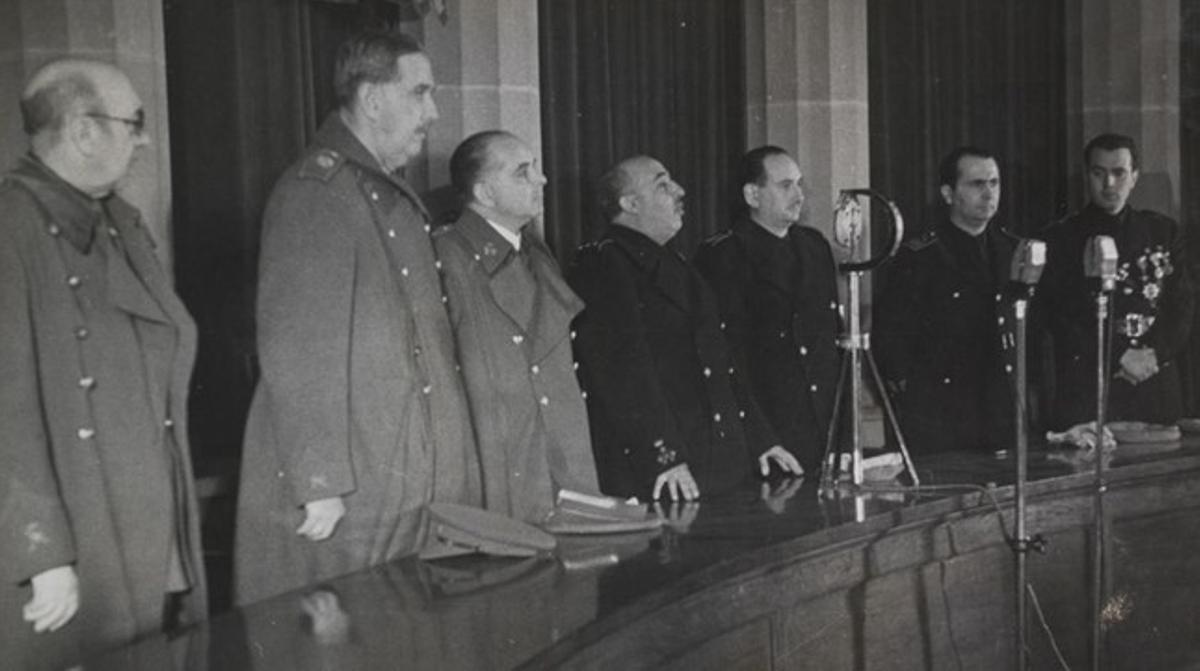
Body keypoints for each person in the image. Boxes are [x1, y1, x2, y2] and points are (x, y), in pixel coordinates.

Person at [234, 31, 481, 605]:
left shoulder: (381, 194)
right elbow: (295, 346)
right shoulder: (316, 192)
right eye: (420, 93)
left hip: (403, 474)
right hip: (358, 486)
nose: (433, 112)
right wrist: (318, 482)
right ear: (372, 100)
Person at [0, 59, 206, 667]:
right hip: (76, 518)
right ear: (84, 131)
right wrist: (42, 554)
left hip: (139, 504)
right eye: (134, 123)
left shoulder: (118, 222)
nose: (144, 140)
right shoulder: (12, 227)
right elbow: (5, 409)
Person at [567, 155, 802, 502]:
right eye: (662, 185)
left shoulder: (677, 264)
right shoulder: (604, 265)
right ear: (630, 204)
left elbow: (723, 365)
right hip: (666, 472)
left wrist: (761, 439)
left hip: (716, 460)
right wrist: (663, 457)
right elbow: (623, 374)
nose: (680, 191)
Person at [432, 131, 600, 523]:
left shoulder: (535, 254)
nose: (541, 180)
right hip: (508, 473)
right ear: (486, 193)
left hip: (564, 464)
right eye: (523, 173)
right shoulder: (450, 259)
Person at [694, 146, 841, 474]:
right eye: (786, 185)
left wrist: (842, 427)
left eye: (800, 184)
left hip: (822, 428)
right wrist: (761, 437)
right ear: (752, 194)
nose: (799, 195)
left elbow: (831, 341)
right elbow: (726, 357)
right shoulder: (724, 255)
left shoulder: (814, 246)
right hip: (768, 434)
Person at [1038, 133, 1193, 430]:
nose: (1109, 185)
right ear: (1087, 176)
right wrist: (1120, 356)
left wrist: (1153, 354)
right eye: (1099, 173)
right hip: (1091, 390)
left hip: (1155, 386)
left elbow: (1182, 306)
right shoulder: (1060, 238)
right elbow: (1062, 317)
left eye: (1119, 173)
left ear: (1134, 176)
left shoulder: (1163, 231)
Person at [874, 146, 1019, 455]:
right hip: (940, 417)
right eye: (976, 184)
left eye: (994, 183)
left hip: (999, 412)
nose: (988, 193)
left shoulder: (1012, 251)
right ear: (948, 193)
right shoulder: (920, 256)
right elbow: (890, 339)